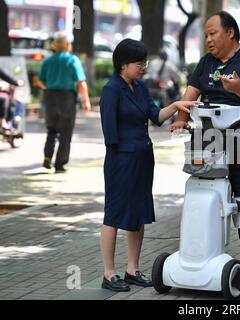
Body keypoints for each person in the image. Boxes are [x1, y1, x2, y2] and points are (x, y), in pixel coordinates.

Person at [170, 11, 240, 280]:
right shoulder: (207, 63)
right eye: (205, 35)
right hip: (207, 135)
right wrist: (181, 119)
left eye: (212, 33)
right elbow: (192, 91)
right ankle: (202, 250)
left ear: (230, 32)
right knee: (201, 185)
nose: (208, 39)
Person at [99, 39, 197, 292]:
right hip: (121, 160)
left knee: (139, 211)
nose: (143, 67)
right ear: (123, 65)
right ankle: (109, 274)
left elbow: (155, 117)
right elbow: (110, 134)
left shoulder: (140, 88)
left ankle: (132, 269)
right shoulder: (111, 90)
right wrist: (124, 158)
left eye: (145, 62)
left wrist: (176, 106)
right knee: (114, 213)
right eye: (139, 63)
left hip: (144, 158)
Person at [38, 30, 91, 173]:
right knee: (65, 131)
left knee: (51, 129)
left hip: (50, 95)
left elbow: (40, 81)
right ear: (68, 45)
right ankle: (60, 164)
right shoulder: (72, 60)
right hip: (66, 97)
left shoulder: (48, 60)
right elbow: (81, 82)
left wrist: (49, 88)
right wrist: (85, 100)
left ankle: (47, 157)